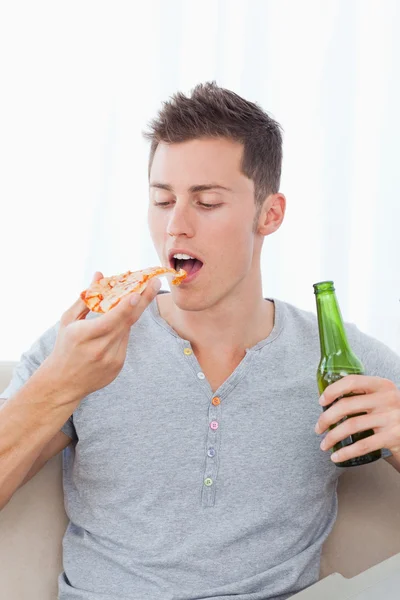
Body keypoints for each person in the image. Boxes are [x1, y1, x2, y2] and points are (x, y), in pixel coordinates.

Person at [1, 81, 400, 600]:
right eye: (162, 200)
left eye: (207, 202)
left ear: (270, 214)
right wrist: (58, 384)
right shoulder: (81, 346)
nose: (176, 227)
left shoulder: (338, 357)